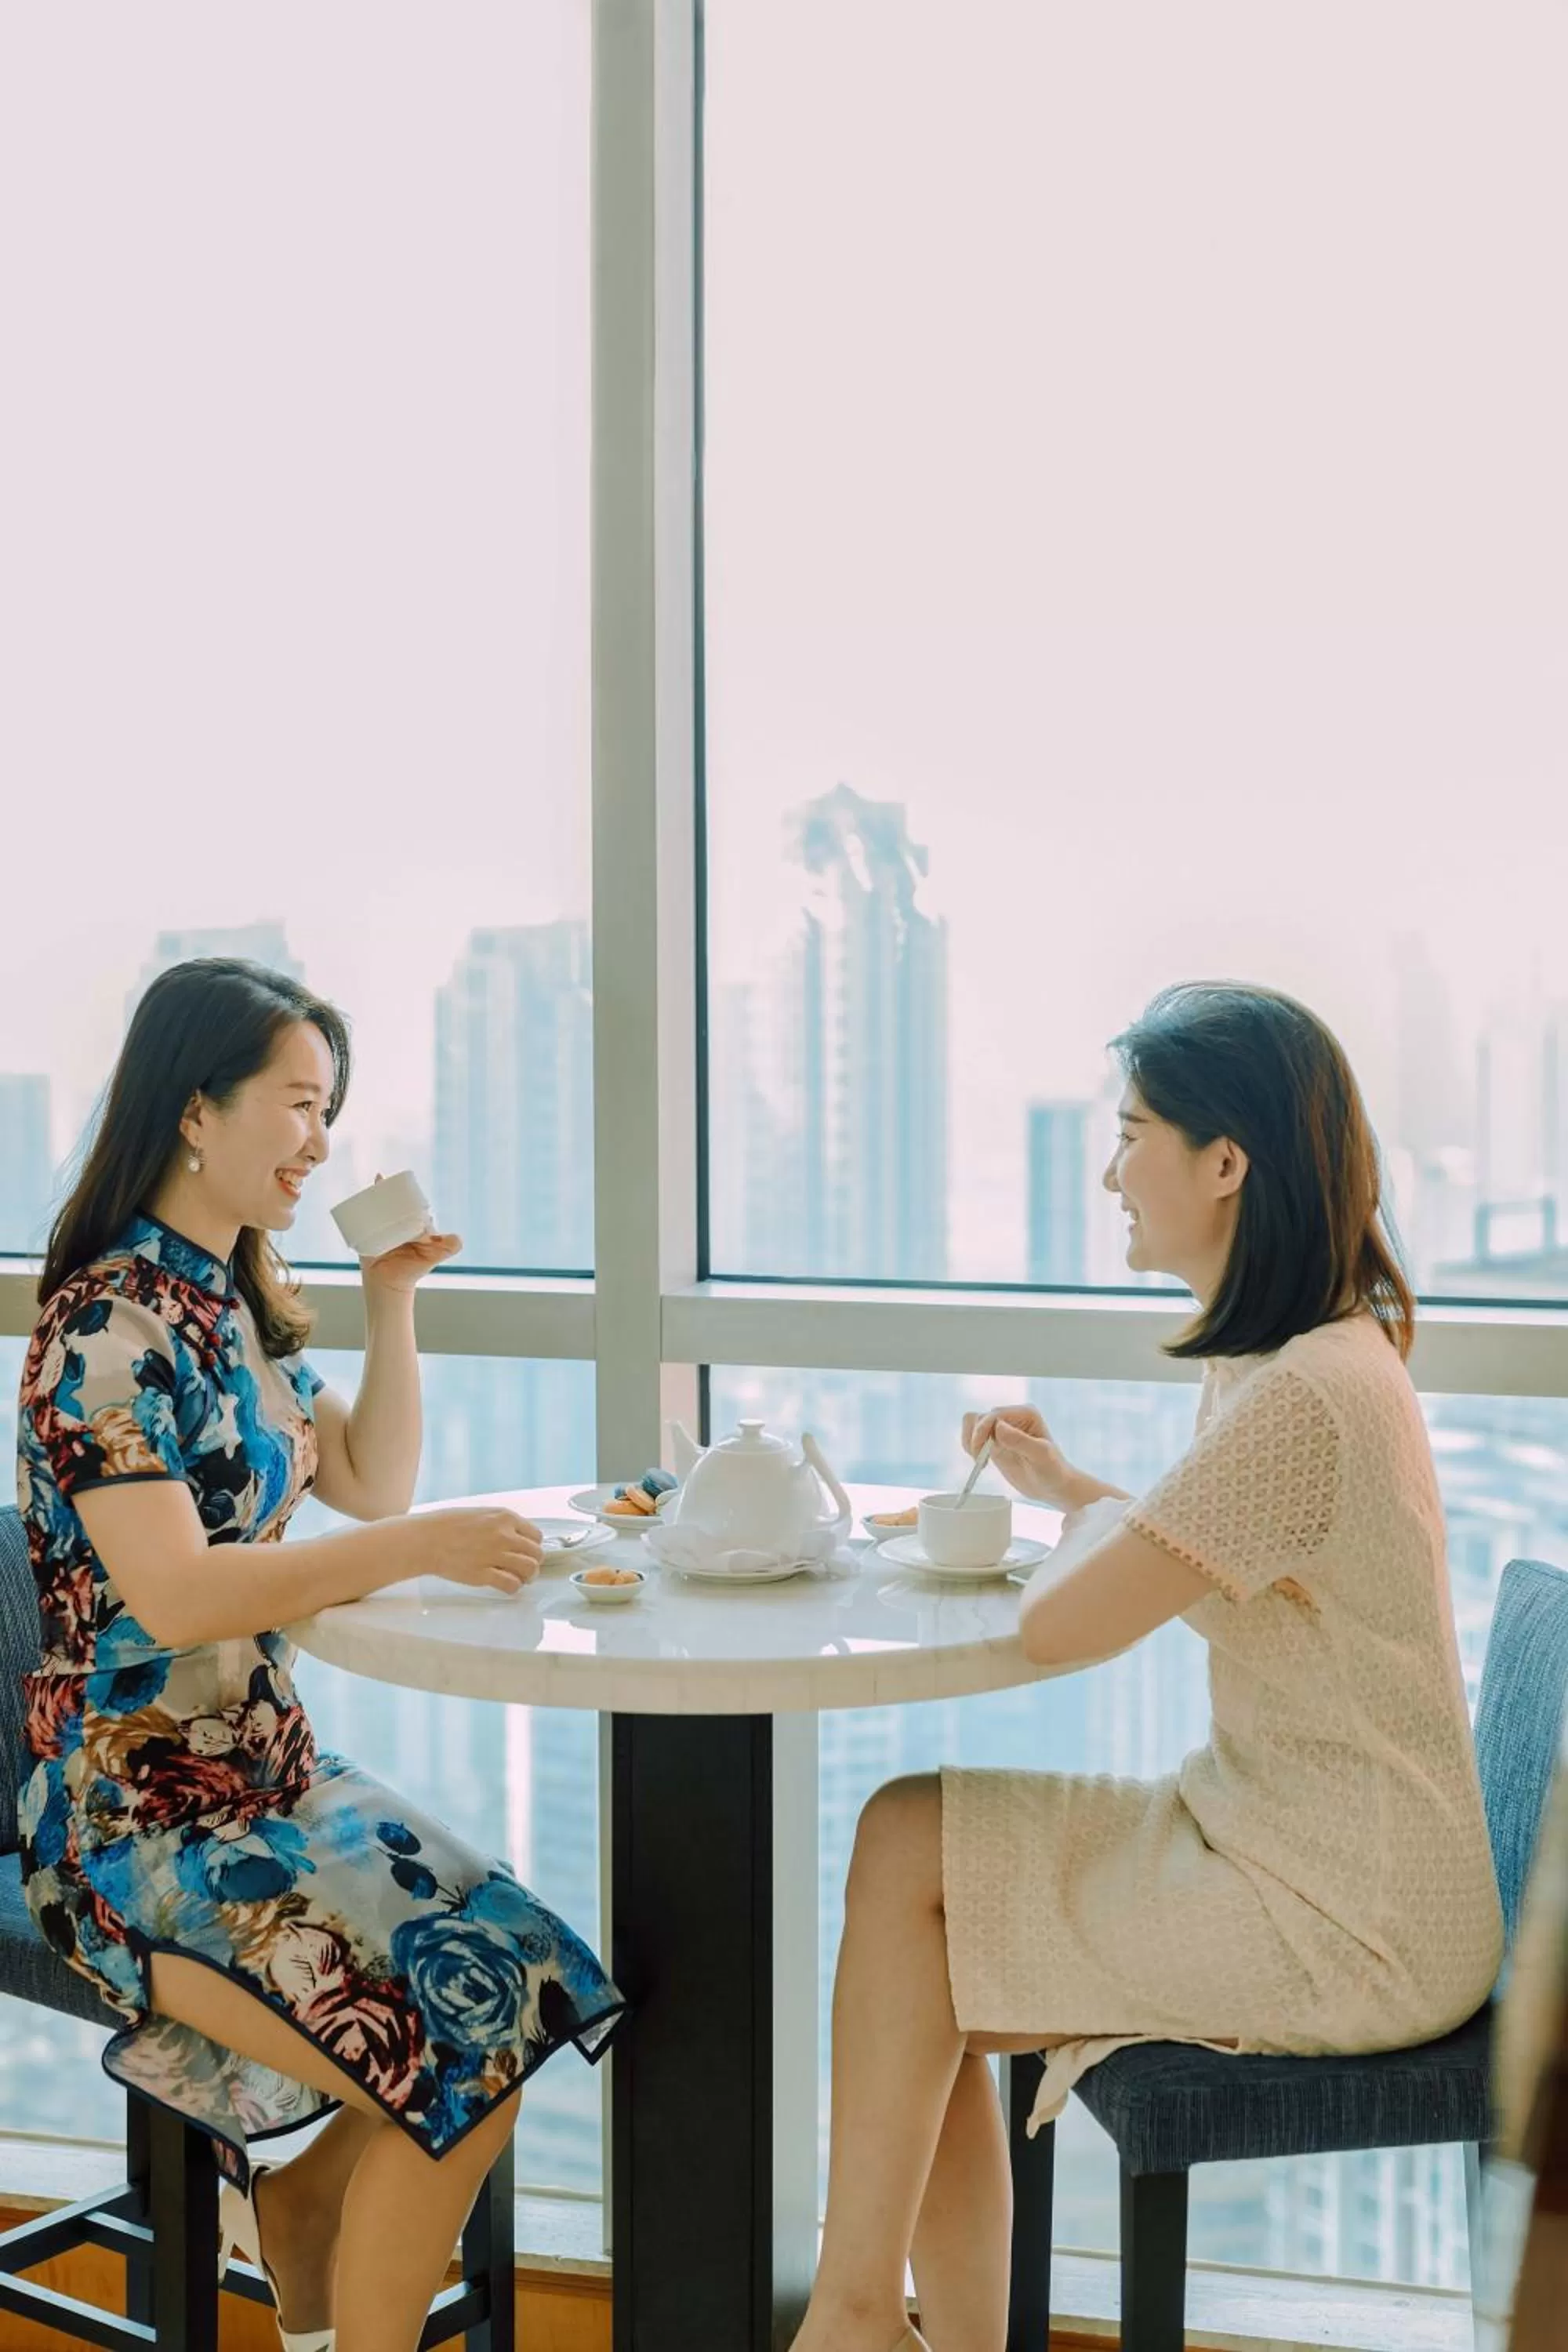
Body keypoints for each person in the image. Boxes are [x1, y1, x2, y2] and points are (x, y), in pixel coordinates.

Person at [791, 982, 1504, 2352]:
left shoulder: (1303, 1392)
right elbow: (1223, 1556)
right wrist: (1073, 1491)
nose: (1111, 1172)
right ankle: (876, 2315)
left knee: (911, 1863)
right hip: (1304, 1842)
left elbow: (1066, 1630)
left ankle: (856, 2318)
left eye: (1131, 1136)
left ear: (1224, 1162)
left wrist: (1086, 1519)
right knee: (913, 1851)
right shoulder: (1303, 1357)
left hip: (1347, 1914)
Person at [15, 958, 623, 2352]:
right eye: (298, 1102)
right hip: (130, 1819)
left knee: (526, 1983)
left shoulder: (231, 1302)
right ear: (194, 1112)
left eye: (328, 1107)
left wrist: (391, 1296)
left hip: (270, 1777)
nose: (322, 1141)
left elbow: (369, 1481)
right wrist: (418, 1552)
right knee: (448, 2051)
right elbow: (176, 1597)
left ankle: (293, 2221)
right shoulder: (103, 1327)